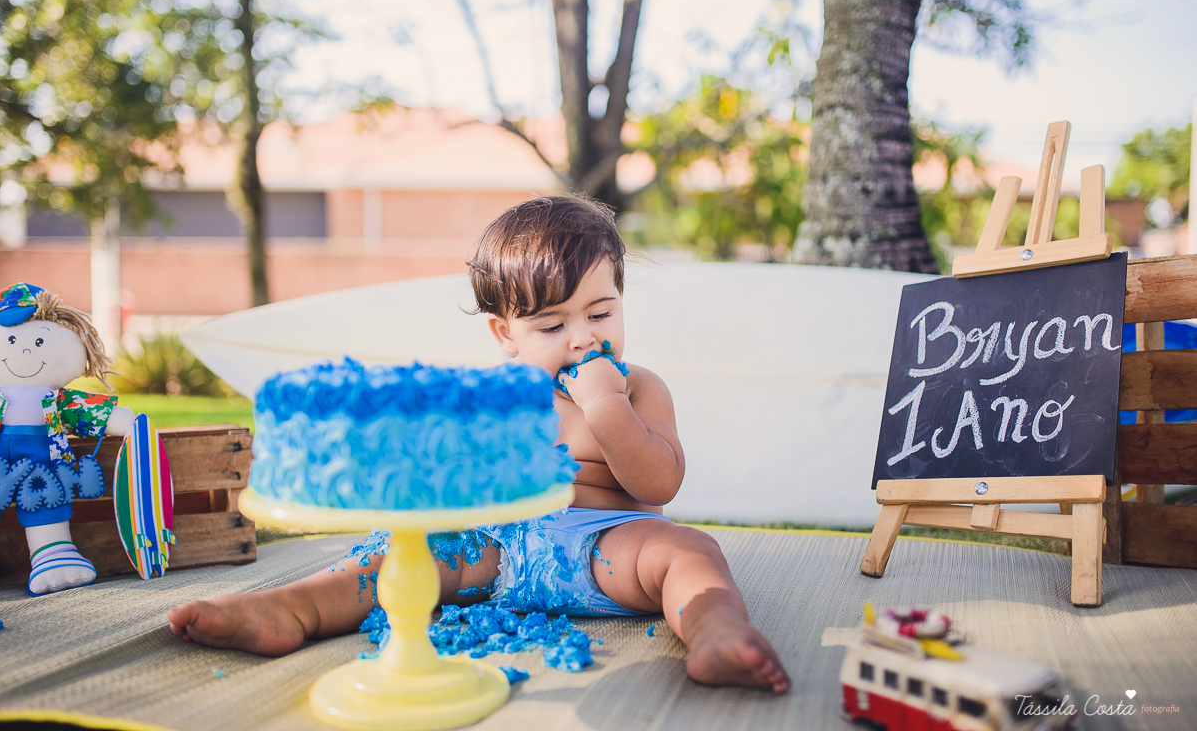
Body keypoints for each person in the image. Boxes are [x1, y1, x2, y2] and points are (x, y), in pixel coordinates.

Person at [168, 194, 790, 693]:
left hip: (605, 547)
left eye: (601, 314)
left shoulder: (640, 389)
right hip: (495, 546)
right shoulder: (500, 398)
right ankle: (290, 610)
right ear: (506, 332)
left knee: (687, 551)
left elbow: (658, 484)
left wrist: (607, 408)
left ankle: (713, 629)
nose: (582, 340)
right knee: (391, 556)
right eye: (552, 325)